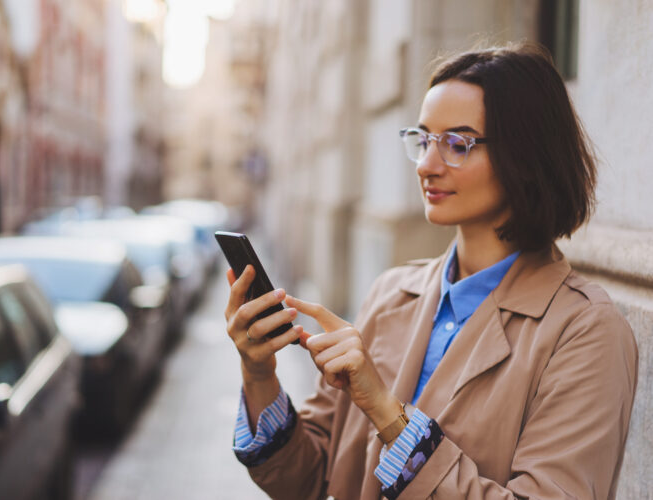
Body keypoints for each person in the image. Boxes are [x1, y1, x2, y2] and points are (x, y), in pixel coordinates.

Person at [223, 42, 638, 500]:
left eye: (457, 144)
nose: (426, 165)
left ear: (527, 155)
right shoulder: (392, 293)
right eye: (422, 140)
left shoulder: (586, 330)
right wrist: (259, 374)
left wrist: (386, 412)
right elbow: (307, 478)